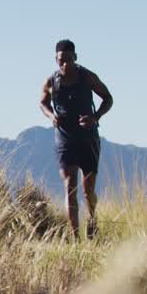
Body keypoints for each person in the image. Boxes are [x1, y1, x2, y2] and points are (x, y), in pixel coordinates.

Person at [39, 39, 113, 240]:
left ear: (76, 57)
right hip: (65, 140)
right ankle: (75, 239)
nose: (66, 64)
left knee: (88, 189)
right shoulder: (51, 82)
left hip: (88, 139)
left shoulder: (87, 77)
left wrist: (95, 117)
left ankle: (92, 220)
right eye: (62, 61)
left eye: (70, 60)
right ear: (56, 59)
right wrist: (51, 116)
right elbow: (42, 103)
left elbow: (108, 98)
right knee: (69, 185)